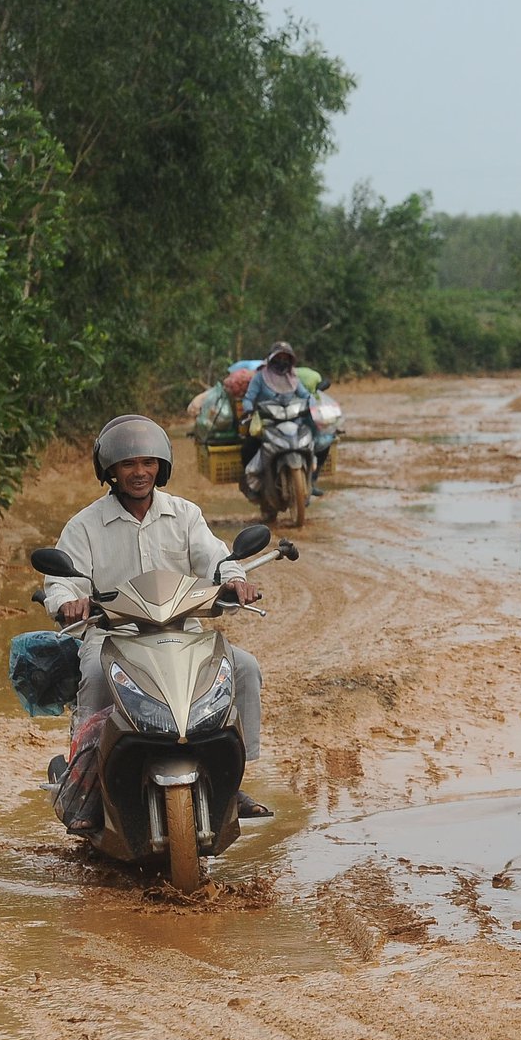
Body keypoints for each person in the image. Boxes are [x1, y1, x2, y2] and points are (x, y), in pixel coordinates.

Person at [43, 414, 274, 819]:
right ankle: (88, 786)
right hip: (113, 635)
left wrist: (235, 580)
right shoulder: (85, 525)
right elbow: (61, 581)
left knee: (245, 669)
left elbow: (218, 559)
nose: (140, 472)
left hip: (183, 631)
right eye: (129, 464)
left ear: (161, 467)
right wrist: (68, 602)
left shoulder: (185, 515)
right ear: (111, 471)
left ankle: (232, 781)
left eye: (148, 462)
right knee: (96, 678)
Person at [240, 340, 332, 497]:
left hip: (294, 421)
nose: (282, 361)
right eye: (279, 357)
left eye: (285, 358)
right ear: (271, 358)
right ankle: (252, 484)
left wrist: (315, 405)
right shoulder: (260, 378)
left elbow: (304, 395)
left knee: (324, 439)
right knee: (248, 446)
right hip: (268, 422)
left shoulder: (293, 378)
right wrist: (249, 409)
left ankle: (311, 480)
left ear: (290, 360)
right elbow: (248, 398)